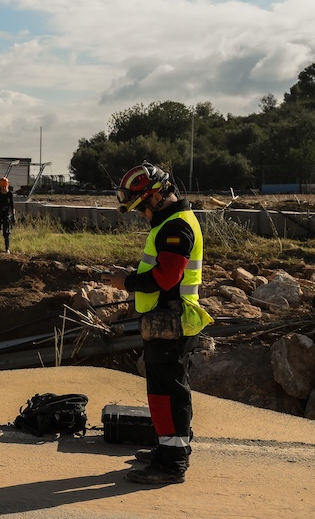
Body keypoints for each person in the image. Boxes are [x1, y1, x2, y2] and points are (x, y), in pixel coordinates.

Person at [101, 162, 214, 485]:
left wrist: (128, 282)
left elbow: (166, 278)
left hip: (172, 319)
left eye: (140, 207)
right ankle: (169, 448)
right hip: (169, 319)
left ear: (155, 197)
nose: (140, 214)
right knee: (167, 388)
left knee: (167, 393)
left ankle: (171, 462)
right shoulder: (171, 223)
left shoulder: (176, 227)